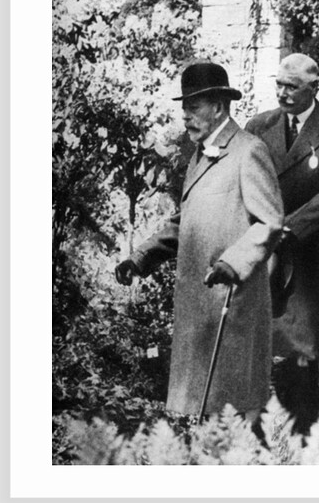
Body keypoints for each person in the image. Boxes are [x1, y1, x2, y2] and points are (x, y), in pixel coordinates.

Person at [114, 62, 284, 421]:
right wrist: (141, 257)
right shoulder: (198, 155)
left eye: (193, 107)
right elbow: (186, 220)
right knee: (202, 412)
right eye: (184, 108)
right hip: (199, 307)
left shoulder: (248, 151)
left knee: (234, 409)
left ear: (219, 107)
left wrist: (232, 263)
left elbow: (270, 223)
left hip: (231, 304)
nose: (185, 117)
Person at [244, 54, 319, 369]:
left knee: (307, 348)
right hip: (267, 249)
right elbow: (247, 179)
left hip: (309, 249)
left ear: (315, 87)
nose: (282, 94)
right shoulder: (258, 126)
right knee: (264, 344)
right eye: (279, 85)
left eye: (292, 87)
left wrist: (294, 227)